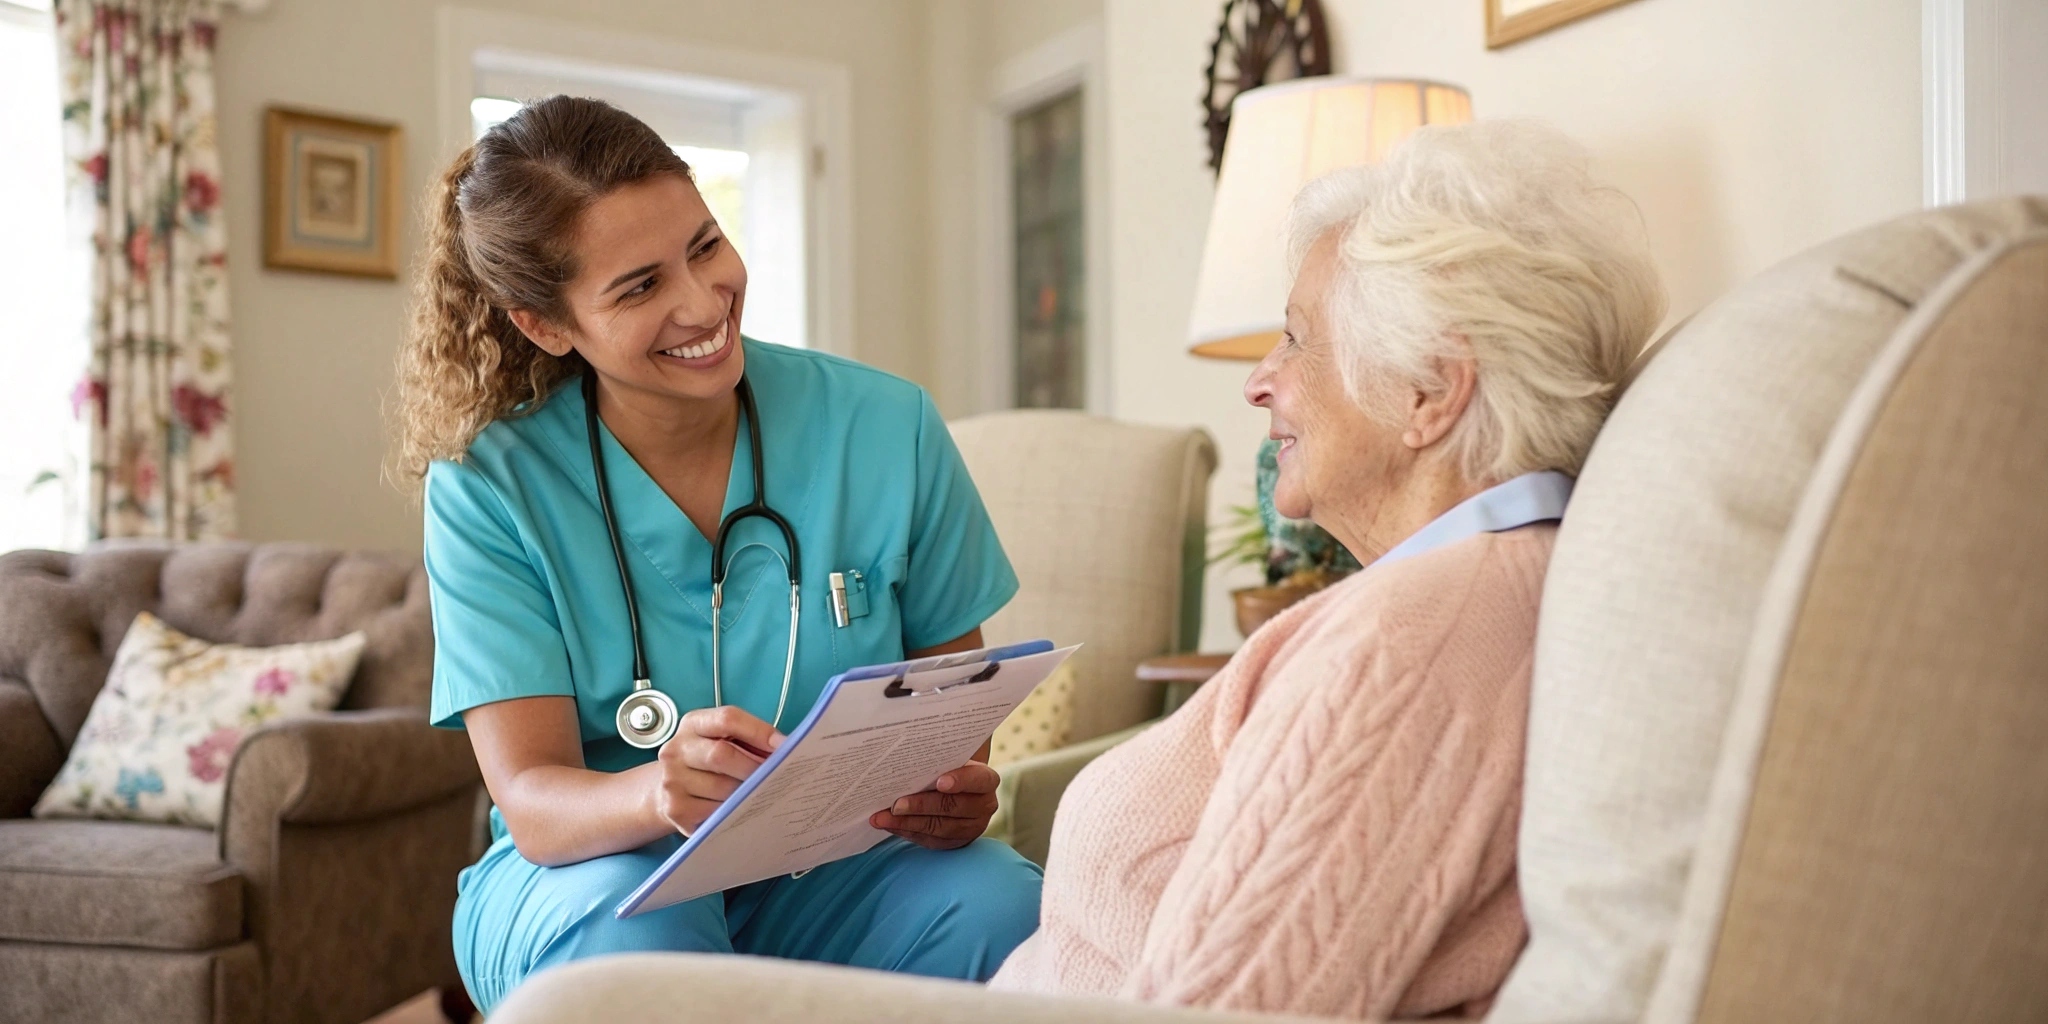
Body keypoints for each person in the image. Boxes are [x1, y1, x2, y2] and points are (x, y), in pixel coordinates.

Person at [989, 119, 1666, 1019]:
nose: (1259, 381)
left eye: (1298, 340)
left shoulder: (1406, 651)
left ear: (1430, 386)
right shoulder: (1473, 591)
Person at [393, 96, 1042, 1013]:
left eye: (705, 247)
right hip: (595, 876)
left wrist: (950, 796)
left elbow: (957, 716)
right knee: (643, 946)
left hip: (832, 870)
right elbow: (534, 801)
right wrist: (659, 794)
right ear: (544, 323)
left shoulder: (887, 426)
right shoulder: (488, 487)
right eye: (639, 286)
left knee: (1000, 903)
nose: (702, 303)